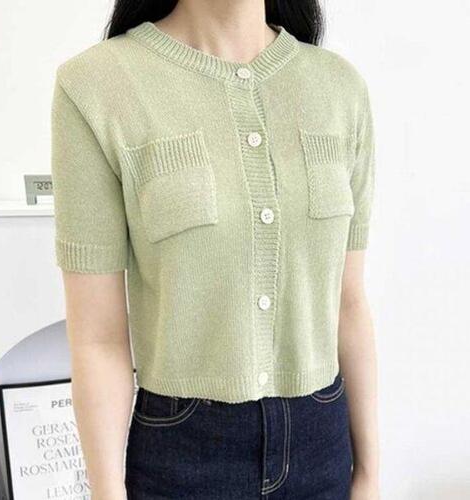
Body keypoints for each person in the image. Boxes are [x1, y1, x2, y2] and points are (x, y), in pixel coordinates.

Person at [50, 0, 379, 498]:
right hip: (183, 453)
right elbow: (98, 338)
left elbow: (348, 303)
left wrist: (370, 474)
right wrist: (107, 490)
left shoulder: (340, 88)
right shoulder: (96, 86)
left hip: (323, 443)